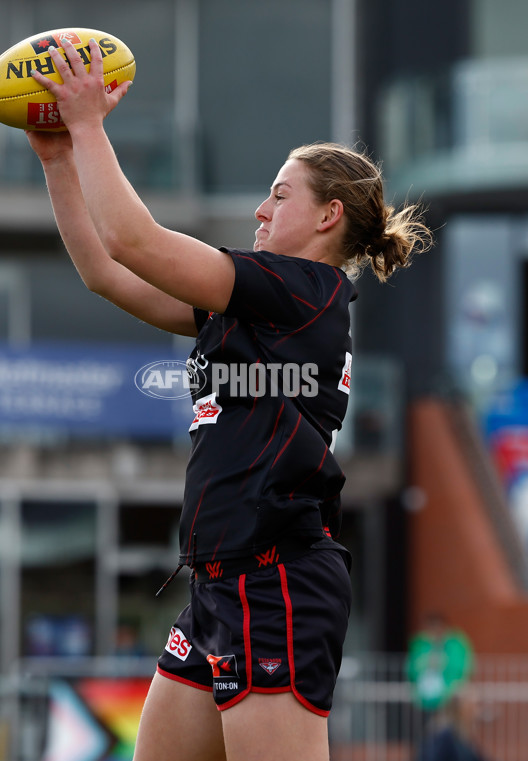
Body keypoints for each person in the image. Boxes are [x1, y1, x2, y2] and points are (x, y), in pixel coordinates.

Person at [26, 38, 432, 761]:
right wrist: (59, 158)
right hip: (220, 583)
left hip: (275, 580)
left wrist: (88, 126)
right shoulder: (251, 307)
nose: (260, 208)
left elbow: (134, 240)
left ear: (328, 216)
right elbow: (105, 271)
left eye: (280, 194)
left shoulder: (300, 291)